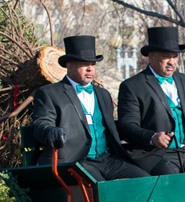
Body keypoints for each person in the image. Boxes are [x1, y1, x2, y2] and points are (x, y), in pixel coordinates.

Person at [31, 35, 150, 181]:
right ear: (69, 66)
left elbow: (113, 127)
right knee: (100, 188)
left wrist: (147, 134)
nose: (89, 69)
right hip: (77, 160)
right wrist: (50, 132)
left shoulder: (103, 94)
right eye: (83, 64)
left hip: (108, 159)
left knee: (145, 180)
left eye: (92, 64)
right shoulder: (49, 93)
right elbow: (41, 123)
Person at [117, 26, 185, 175]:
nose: (171, 62)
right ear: (151, 56)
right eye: (165, 56)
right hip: (157, 155)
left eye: (174, 56)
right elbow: (127, 126)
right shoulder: (132, 86)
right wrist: (152, 137)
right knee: (174, 180)